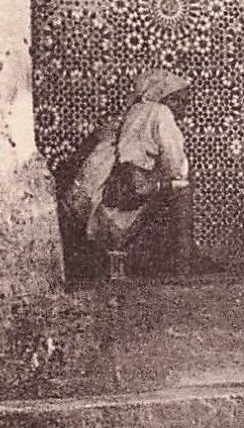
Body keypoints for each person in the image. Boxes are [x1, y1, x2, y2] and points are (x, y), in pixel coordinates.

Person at [78, 68, 198, 277]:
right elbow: (176, 167)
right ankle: (182, 268)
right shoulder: (160, 112)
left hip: (92, 212)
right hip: (118, 213)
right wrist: (174, 178)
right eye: (178, 101)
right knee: (183, 187)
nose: (184, 109)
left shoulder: (132, 112)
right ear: (162, 97)